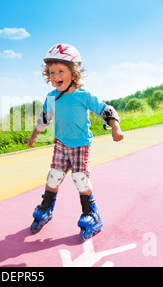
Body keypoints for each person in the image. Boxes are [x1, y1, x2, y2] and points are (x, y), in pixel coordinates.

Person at [27, 43, 124, 241]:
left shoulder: (83, 96)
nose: (55, 76)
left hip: (80, 144)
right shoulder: (52, 97)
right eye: (52, 72)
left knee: (80, 178)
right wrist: (34, 136)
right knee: (53, 177)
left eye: (61, 71)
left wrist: (115, 127)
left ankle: (92, 214)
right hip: (61, 143)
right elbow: (45, 118)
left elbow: (105, 109)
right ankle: (46, 208)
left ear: (74, 72)